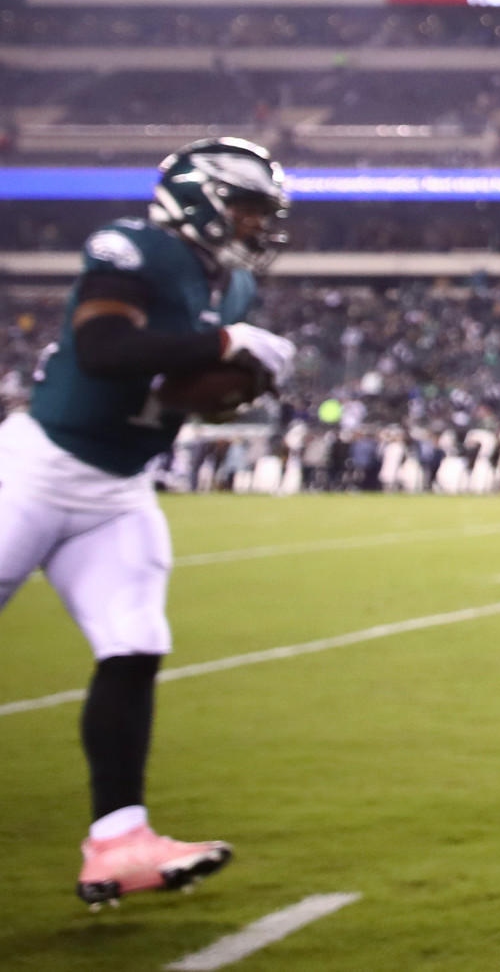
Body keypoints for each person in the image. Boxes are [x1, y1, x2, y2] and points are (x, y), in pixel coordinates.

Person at [0, 138, 298, 907]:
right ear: (199, 197)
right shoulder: (131, 246)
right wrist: (224, 345)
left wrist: (234, 383)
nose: (256, 226)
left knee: (134, 646)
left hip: (119, 487)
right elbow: (104, 349)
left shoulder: (228, 286)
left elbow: (181, 387)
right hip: (35, 469)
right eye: (247, 208)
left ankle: (119, 840)